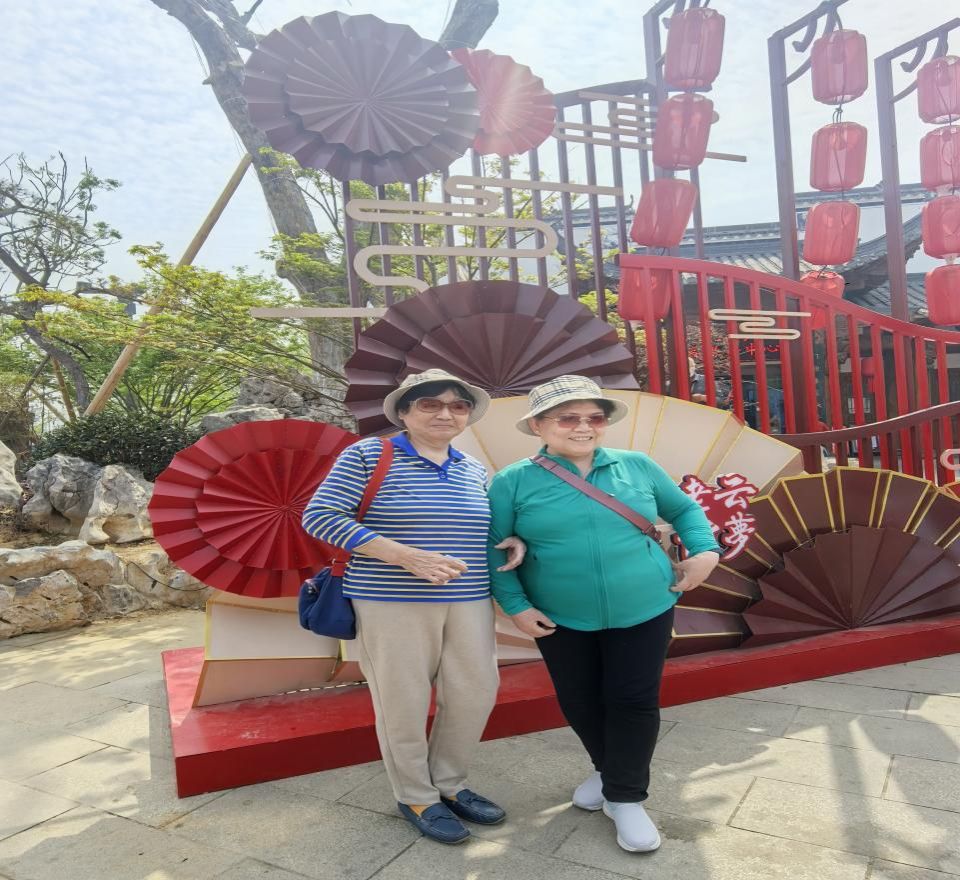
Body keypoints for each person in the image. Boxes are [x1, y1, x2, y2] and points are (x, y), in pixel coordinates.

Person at [487, 375, 722, 854]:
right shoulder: (513, 481)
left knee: (633, 700)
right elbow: (494, 548)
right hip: (558, 614)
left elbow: (684, 510)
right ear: (538, 426)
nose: (583, 427)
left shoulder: (636, 466)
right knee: (580, 700)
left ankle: (625, 796)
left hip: (645, 604)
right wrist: (516, 606)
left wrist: (705, 552)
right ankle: (608, 770)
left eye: (594, 417)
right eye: (567, 418)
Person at [302, 369, 524, 845]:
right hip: (391, 601)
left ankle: (450, 783)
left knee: (474, 693)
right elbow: (319, 516)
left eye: (458, 405)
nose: (446, 413)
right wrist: (404, 555)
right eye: (430, 404)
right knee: (401, 702)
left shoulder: (471, 468)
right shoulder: (368, 455)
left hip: (469, 600)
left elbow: (478, 528)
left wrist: (512, 539)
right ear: (404, 412)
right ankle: (416, 795)